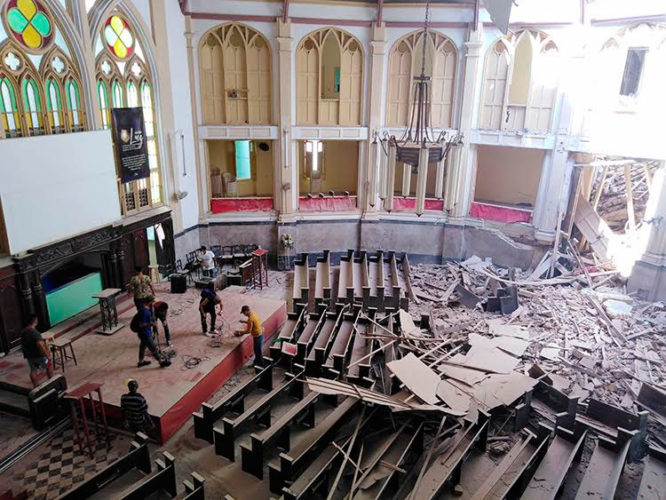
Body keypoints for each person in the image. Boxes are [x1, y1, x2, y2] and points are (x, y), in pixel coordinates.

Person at [136, 299, 170, 368]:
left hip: (144, 333)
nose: (153, 303)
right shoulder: (146, 312)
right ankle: (161, 362)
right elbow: (141, 324)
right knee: (154, 349)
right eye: (151, 301)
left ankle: (140, 362)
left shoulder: (146, 310)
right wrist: (152, 324)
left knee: (142, 347)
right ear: (148, 303)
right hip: (145, 334)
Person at [21, 315, 53, 387]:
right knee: (49, 365)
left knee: (33, 370)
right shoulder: (36, 333)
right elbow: (40, 345)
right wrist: (47, 355)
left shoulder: (23, 331)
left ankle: (36, 386)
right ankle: (52, 382)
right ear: (35, 321)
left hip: (29, 355)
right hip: (39, 355)